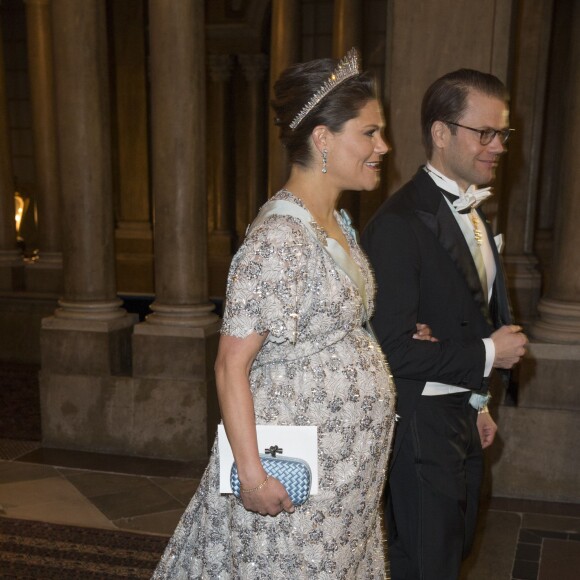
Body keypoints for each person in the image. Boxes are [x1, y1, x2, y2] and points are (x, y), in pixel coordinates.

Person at [153, 49, 433, 579]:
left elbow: (324, 321)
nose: (384, 146)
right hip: (298, 477)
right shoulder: (279, 239)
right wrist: (254, 478)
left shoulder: (335, 223)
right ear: (323, 138)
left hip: (347, 477)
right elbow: (230, 365)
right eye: (370, 133)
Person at [361, 69, 528, 580]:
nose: (498, 146)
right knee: (427, 564)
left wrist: (479, 398)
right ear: (441, 132)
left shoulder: (475, 214)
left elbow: (468, 316)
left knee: (451, 555)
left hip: (460, 412)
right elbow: (391, 349)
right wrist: (487, 356)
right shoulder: (397, 224)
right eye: (485, 133)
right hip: (420, 427)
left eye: (503, 133)